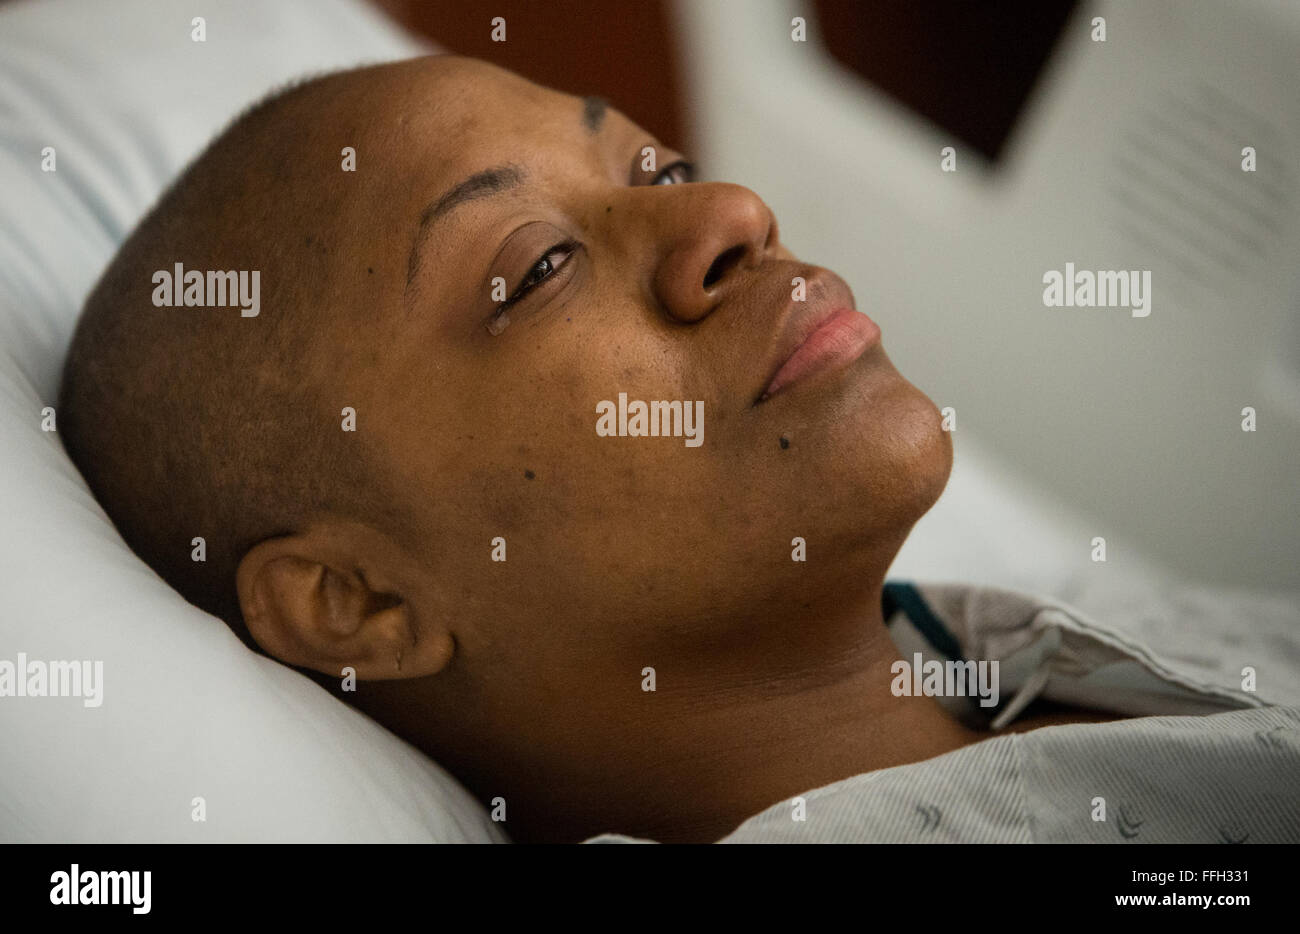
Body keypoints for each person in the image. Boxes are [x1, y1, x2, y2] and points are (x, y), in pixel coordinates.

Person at [57, 54, 1299, 844]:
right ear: (358, 599)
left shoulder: (1063, 650)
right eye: (537, 269)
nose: (730, 214)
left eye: (659, 165)